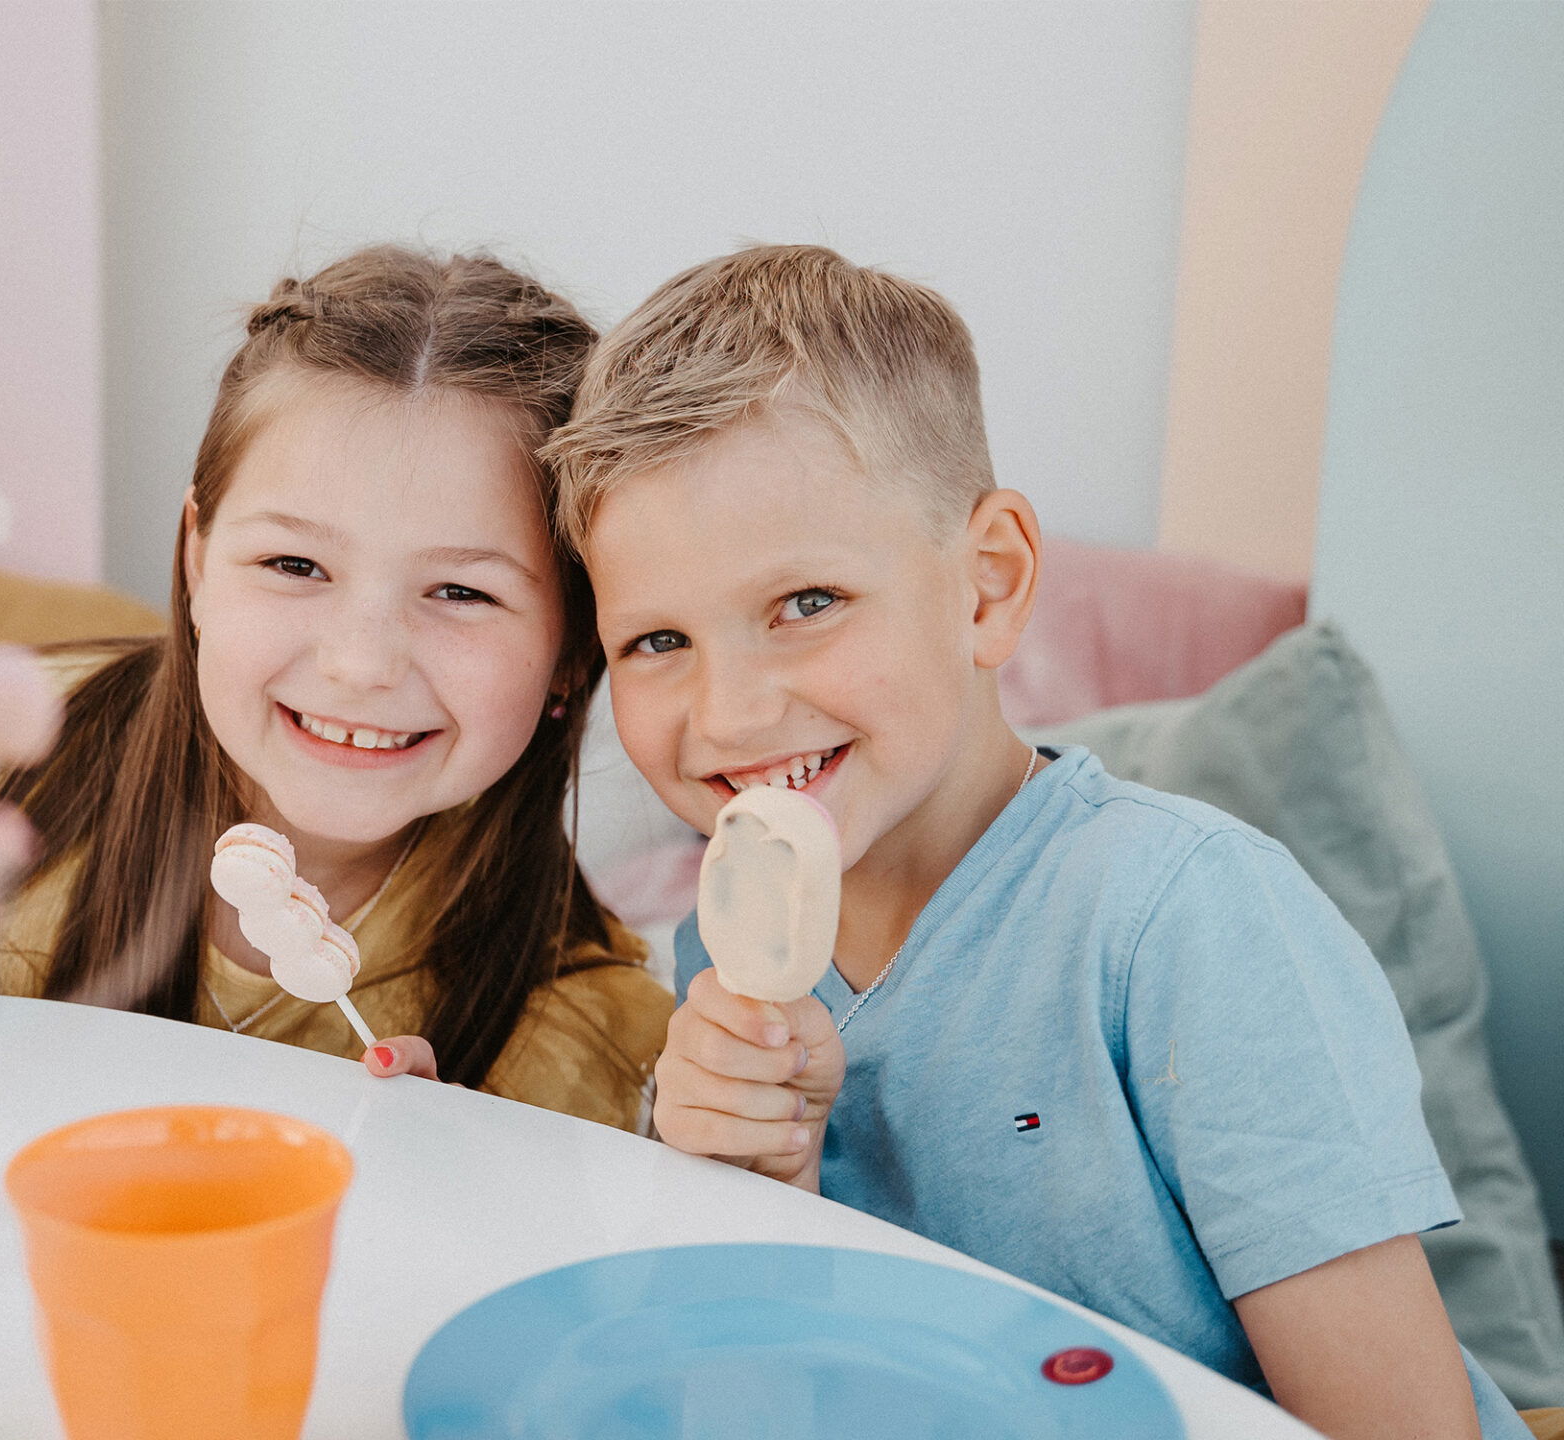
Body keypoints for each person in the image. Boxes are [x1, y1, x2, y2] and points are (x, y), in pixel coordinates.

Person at [543, 244, 1527, 1436]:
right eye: (657, 641)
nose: (732, 712)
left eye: (806, 604)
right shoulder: (725, 938)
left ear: (989, 584)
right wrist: (756, 1178)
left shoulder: (1186, 922)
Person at [0, 246, 669, 1130]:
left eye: (462, 592)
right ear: (198, 557)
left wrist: (467, 1193)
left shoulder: (587, 1043)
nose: (360, 663)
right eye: (295, 563)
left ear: (573, 652)